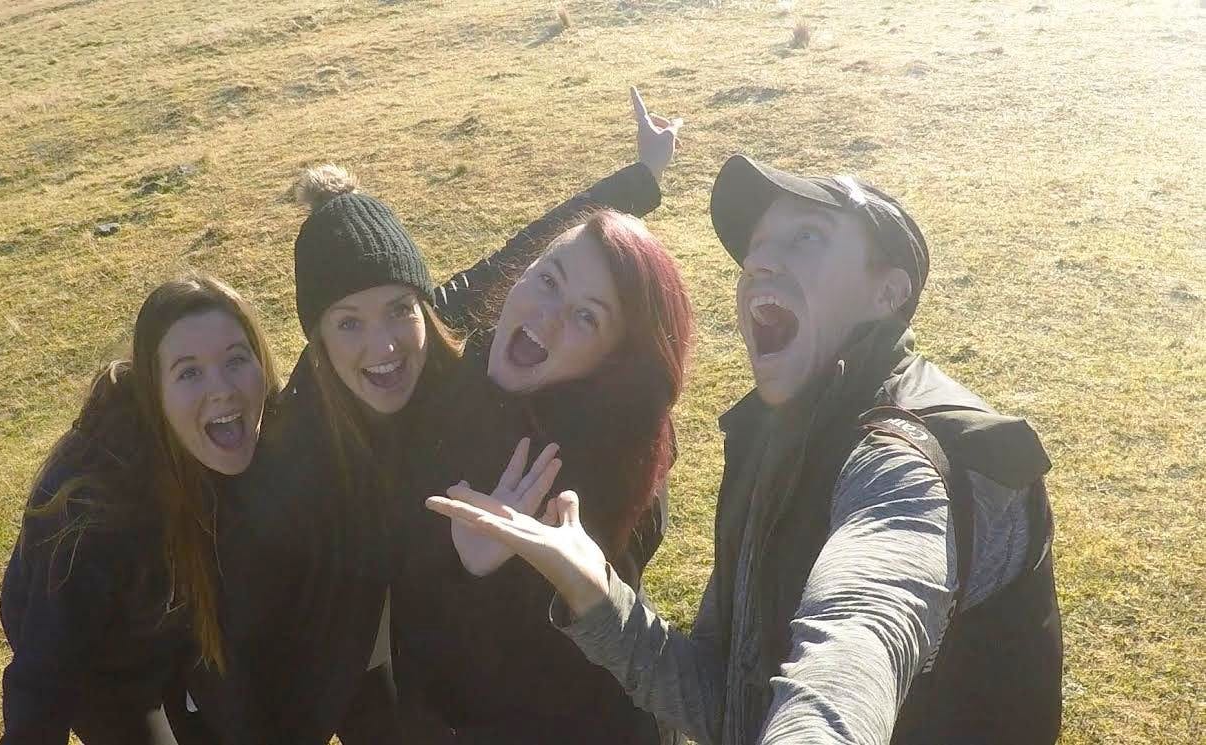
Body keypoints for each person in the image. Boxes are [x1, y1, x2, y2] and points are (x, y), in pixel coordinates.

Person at [428, 155, 1064, 745]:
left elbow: (862, 630)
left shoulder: (911, 456)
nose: (760, 261)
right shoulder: (773, 439)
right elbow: (725, 705)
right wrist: (594, 592)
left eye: (806, 237)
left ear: (887, 293)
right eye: (756, 249)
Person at [205, 89, 683, 745]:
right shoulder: (298, 447)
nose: (384, 346)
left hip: (493, 685)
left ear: (422, 303)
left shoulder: (456, 346)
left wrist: (641, 176)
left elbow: (543, 254)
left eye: (399, 309)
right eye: (348, 323)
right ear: (316, 337)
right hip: (372, 682)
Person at [391, 207, 694, 744]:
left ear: (613, 361)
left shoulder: (581, 480)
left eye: (587, 318)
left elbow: (545, 689)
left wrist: (474, 573)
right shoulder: (470, 369)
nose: (546, 315)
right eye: (549, 279)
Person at [0, 274, 280, 745]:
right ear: (156, 393)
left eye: (236, 359)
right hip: (108, 662)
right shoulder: (96, 520)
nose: (222, 389)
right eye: (189, 372)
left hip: (189, 632)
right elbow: (42, 687)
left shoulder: (263, 432)